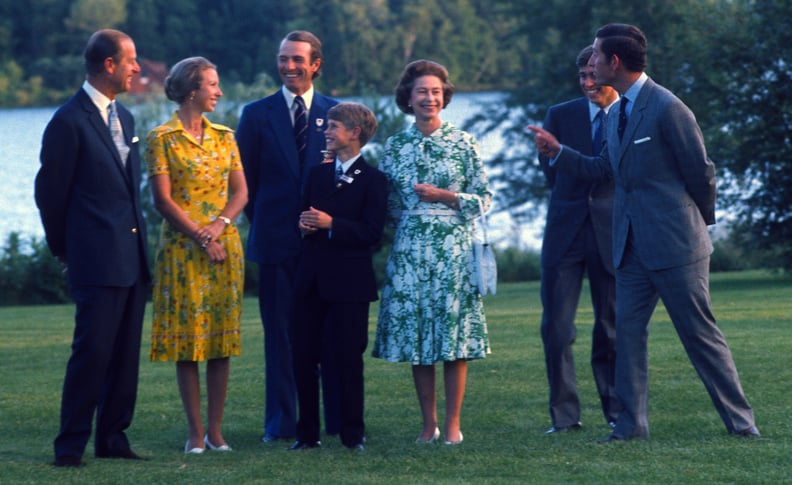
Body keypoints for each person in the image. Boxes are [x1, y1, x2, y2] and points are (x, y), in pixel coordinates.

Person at [529, 23, 758, 441]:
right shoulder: (618, 111)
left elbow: (702, 174)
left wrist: (694, 226)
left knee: (700, 336)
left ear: (614, 62)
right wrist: (559, 152)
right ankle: (631, 427)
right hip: (629, 249)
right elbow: (604, 169)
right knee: (628, 339)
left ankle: (742, 424)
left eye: (596, 56)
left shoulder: (668, 108)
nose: (590, 63)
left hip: (676, 247)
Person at [35, 29, 150, 467]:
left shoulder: (129, 120)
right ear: (109, 65)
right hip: (94, 261)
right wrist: (65, 251)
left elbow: (127, 193)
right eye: (131, 60)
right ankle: (70, 447)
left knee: (124, 358)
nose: (137, 68)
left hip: (132, 260)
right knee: (92, 354)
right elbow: (50, 194)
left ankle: (114, 439)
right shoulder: (67, 120)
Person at [372, 60, 493, 445]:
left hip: (454, 250)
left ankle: (454, 424)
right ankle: (429, 425)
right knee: (418, 339)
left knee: (453, 338)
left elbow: (485, 199)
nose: (429, 98)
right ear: (408, 96)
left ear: (445, 97)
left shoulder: (464, 142)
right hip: (410, 251)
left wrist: (447, 198)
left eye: (436, 92)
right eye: (422, 91)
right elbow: (387, 205)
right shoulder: (395, 145)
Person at [236, 30, 340, 443]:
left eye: (297, 59)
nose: (289, 66)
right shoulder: (256, 115)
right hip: (276, 243)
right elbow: (246, 186)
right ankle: (281, 423)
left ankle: (333, 421)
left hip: (326, 247)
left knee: (328, 336)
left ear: (315, 64)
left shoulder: (338, 112)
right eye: (283, 59)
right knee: (279, 336)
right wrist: (269, 220)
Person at [145, 56, 248, 454]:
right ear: (192, 89)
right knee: (188, 344)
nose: (219, 92)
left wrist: (219, 227)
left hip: (225, 249)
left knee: (221, 342)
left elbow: (241, 192)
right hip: (182, 250)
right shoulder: (161, 138)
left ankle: (216, 432)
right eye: (212, 85)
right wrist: (202, 237)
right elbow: (163, 201)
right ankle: (194, 433)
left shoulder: (226, 136)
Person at [289, 102, 387, 451]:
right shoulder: (316, 175)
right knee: (303, 358)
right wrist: (303, 226)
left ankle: (352, 434)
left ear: (354, 133)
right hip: (310, 279)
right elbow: (300, 216)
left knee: (347, 359)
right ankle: (307, 434)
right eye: (326, 127)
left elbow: (372, 233)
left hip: (349, 284)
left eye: (333, 127)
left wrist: (333, 225)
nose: (326, 132)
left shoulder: (375, 181)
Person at [538, 46, 620, 435]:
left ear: (610, 72)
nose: (588, 83)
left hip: (613, 232)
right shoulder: (559, 115)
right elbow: (551, 173)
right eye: (582, 76)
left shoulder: (632, 113)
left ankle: (617, 411)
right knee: (556, 328)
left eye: (594, 75)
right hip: (564, 233)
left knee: (611, 327)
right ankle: (565, 416)